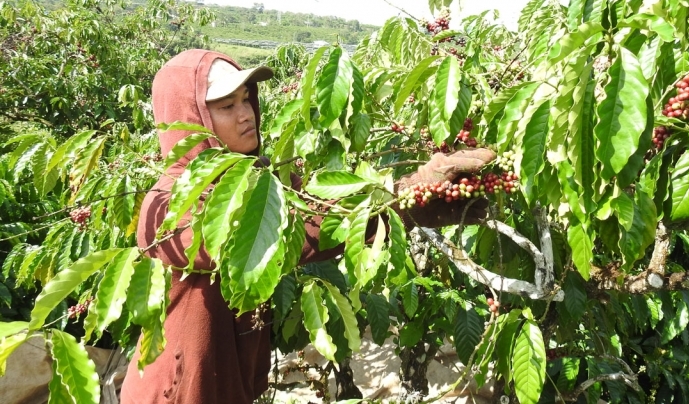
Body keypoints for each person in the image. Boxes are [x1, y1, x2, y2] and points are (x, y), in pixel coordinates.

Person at [119, 48, 495, 404]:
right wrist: (404, 194)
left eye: (247, 99)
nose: (246, 113)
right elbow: (268, 242)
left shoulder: (262, 180)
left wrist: (410, 205)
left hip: (231, 387)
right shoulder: (166, 207)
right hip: (176, 392)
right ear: (191, 120)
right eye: (226, 106)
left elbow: (322, 210)